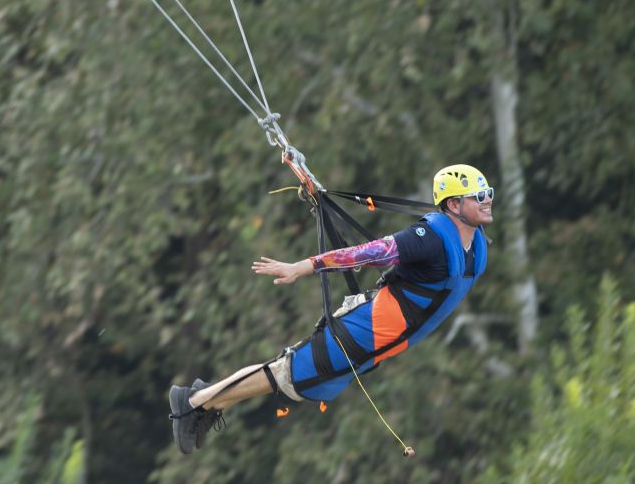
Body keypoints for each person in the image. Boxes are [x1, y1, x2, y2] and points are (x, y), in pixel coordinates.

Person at [168, 163, 494, 454]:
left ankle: (207, 399)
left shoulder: (474, 244)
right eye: (479, 195)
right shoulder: (428, 238)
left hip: (383, 341)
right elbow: (368, 254)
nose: (487, 199)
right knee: (288, 372)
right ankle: (193, 403)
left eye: (487, 193)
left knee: (304, 383)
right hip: (365, 329)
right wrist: (303, 266)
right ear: (454, 204)